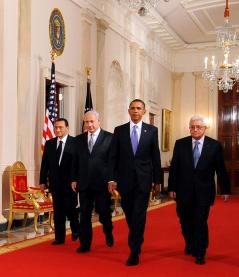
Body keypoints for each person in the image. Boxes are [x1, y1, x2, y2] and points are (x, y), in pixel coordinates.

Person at [168, 115, 231, 265]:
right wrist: (171, 187)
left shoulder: (214, 145)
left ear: (205, 128)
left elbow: (220, 169)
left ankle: (200, 251)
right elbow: (174, 168)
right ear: (189, 128)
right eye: (192, 127)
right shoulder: (180, 144)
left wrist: (225, 189)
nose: (195, 129)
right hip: (183, 191)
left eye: (198, 127)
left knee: (200, 222)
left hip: (204, 191)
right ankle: (190, 242)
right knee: (185, 221)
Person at [108, 99, 161, 266]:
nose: (136, 111)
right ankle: (137, 235)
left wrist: (157, 181)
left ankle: (134, 251)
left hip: (144, 181)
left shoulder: (152, 131)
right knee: (130, 214)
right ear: (128, 110)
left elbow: (155, 157)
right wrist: (111, 178)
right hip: (125, 181)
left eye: (139, 108)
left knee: (139, 214)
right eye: (133, 108)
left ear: (144, 111)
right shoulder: (119, 131)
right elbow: (113, 157)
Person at [72, 110, 114, 253]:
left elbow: (112, 162)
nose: (89, 125)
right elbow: (75, 162)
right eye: (86, 122)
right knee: (84, 214)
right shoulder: (78, 140)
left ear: (98, 121)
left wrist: (112, 180)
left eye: (92, 121)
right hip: (84, 184)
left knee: (103, 212)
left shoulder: (110, 138)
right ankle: (85, 244)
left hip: (102, 184)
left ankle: (108, 231)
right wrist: (73, 179)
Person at [40, 118, 79, 245]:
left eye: (60, 127)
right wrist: (42, 181)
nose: (57, 129)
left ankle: (75, 229)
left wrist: (76, 180)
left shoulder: (76, 142)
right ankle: (59, 238)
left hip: (71, 183)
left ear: (67, 128)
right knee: (58, 211)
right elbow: (44, 164)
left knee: (70, 208)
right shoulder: (49, 143)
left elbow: (79, 164)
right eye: (56, 127)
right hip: (55, 183)